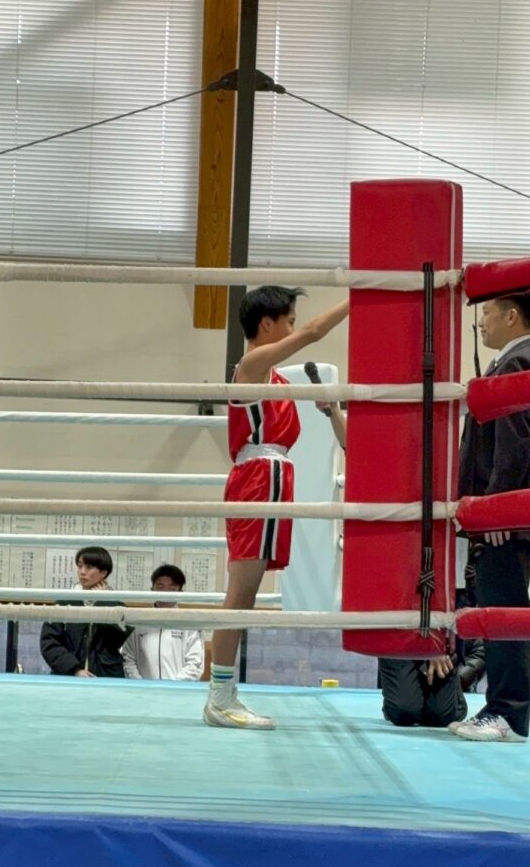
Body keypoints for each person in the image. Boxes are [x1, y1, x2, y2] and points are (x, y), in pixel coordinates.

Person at [203, 285, 349, 730]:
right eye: (288, 321)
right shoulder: (250, 367)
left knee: (246, 597)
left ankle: (224, 694)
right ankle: (219, 698)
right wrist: (361, 297)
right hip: (257, 480)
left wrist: (331, 410)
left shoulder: (280, 381)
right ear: (267, 324)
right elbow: (314, 331)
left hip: (275, 480)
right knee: (239, 596)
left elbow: (343, 441)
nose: (293, 329)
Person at [321, 385, 467, 726]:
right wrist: (333, 412)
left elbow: (454, 571)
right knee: (404, 711)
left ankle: (445, 686)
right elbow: (356, 449)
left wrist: (438, 640)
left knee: (444, 715)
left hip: (437, 607)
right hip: (396, 602)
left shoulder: (447, 482)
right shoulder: (390, 471)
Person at [451, 292, 530, 742]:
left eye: (487, 312)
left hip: (505, 517)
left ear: (512, 316)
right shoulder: (512, 360)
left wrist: (499, 506)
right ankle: (503, 707)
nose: (481, 321)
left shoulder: (518, 361)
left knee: (505, 610)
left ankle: (508, 713)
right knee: (505, 609)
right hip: (506, 511)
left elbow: (516, 440)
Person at [40, 546, 133, 677]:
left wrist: (101, 602)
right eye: (80, 566)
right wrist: (74, 670)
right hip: (68, 676)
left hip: (105, 676)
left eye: (89, 567)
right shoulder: (64, 602)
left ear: (103, 573)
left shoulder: (116, 605)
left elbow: (115, 641)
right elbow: (49, 643)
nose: (82, 572)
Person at [121, 564, 204, 680]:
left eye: (172, 589)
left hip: (178, 689)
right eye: (160, 588)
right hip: (142, 688)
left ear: (180, 592)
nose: (165, 593)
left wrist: (173, 686)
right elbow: (128, 658)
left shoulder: (189, 624)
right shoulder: (139, 621)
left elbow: (195, 663)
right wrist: (139, 684)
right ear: (152, 590)